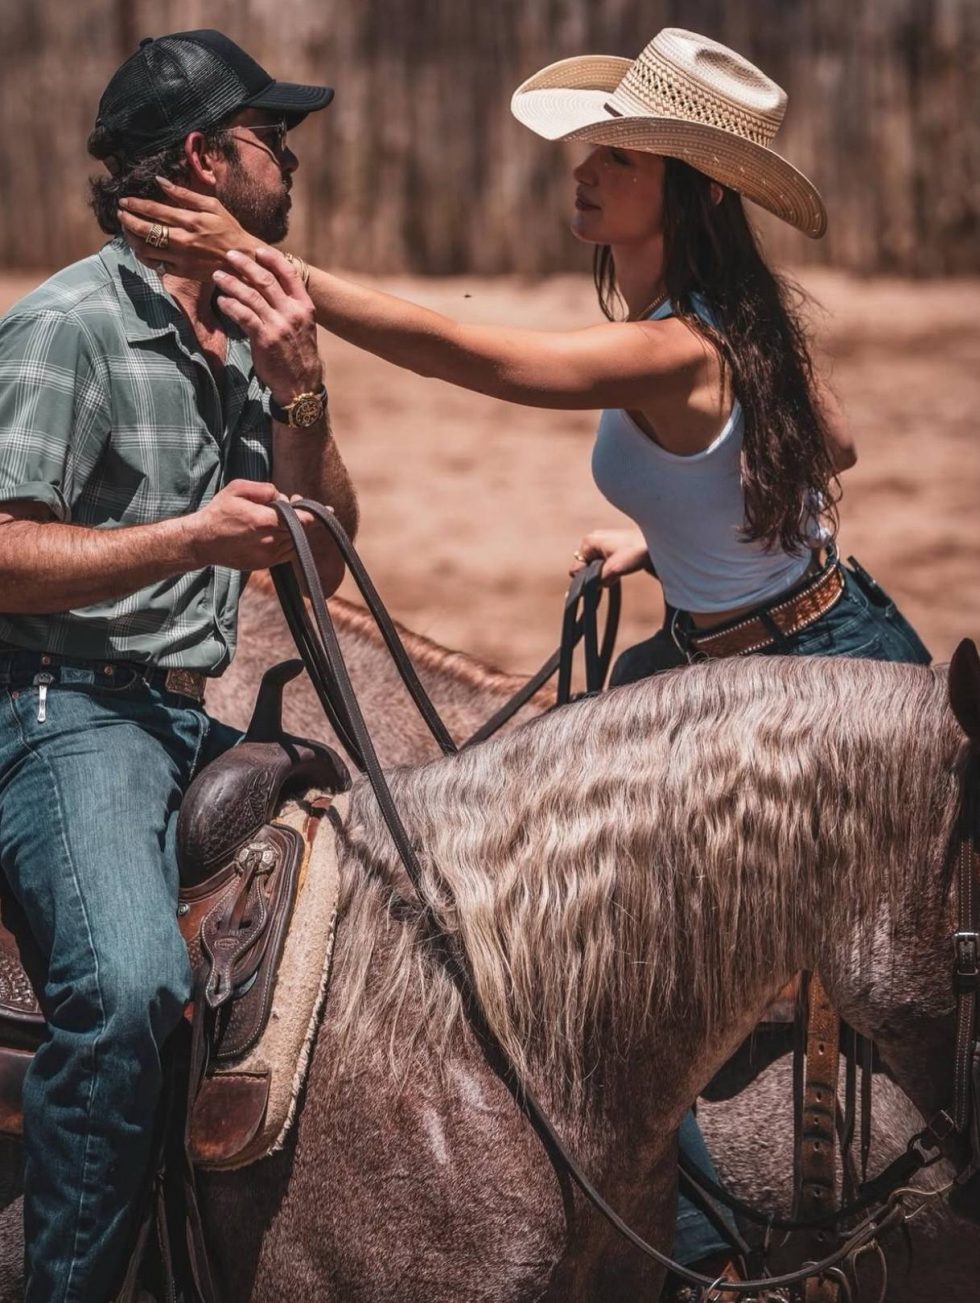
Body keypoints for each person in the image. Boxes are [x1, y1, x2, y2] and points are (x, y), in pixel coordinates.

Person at [115, 25, 930, 1297]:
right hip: (747, 633)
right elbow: (825, 453)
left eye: (619, 156)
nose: (583, 170)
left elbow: (485, 357)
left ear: (688, 191)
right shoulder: (720, 322)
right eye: (591, 148)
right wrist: (670, 534)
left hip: (798, 655)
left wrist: (269, 266)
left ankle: (715, 1245)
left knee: (652, 958)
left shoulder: (679, 345)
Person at [0, 29, 357, 1302]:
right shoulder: (67, 328)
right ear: (207, 158)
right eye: (274, 138)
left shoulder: (240, 337)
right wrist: (189, 538)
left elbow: (325, 543)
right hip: (65, 711)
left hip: (178, 712)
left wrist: (301, 388)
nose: (294, 158)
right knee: (133, 984)